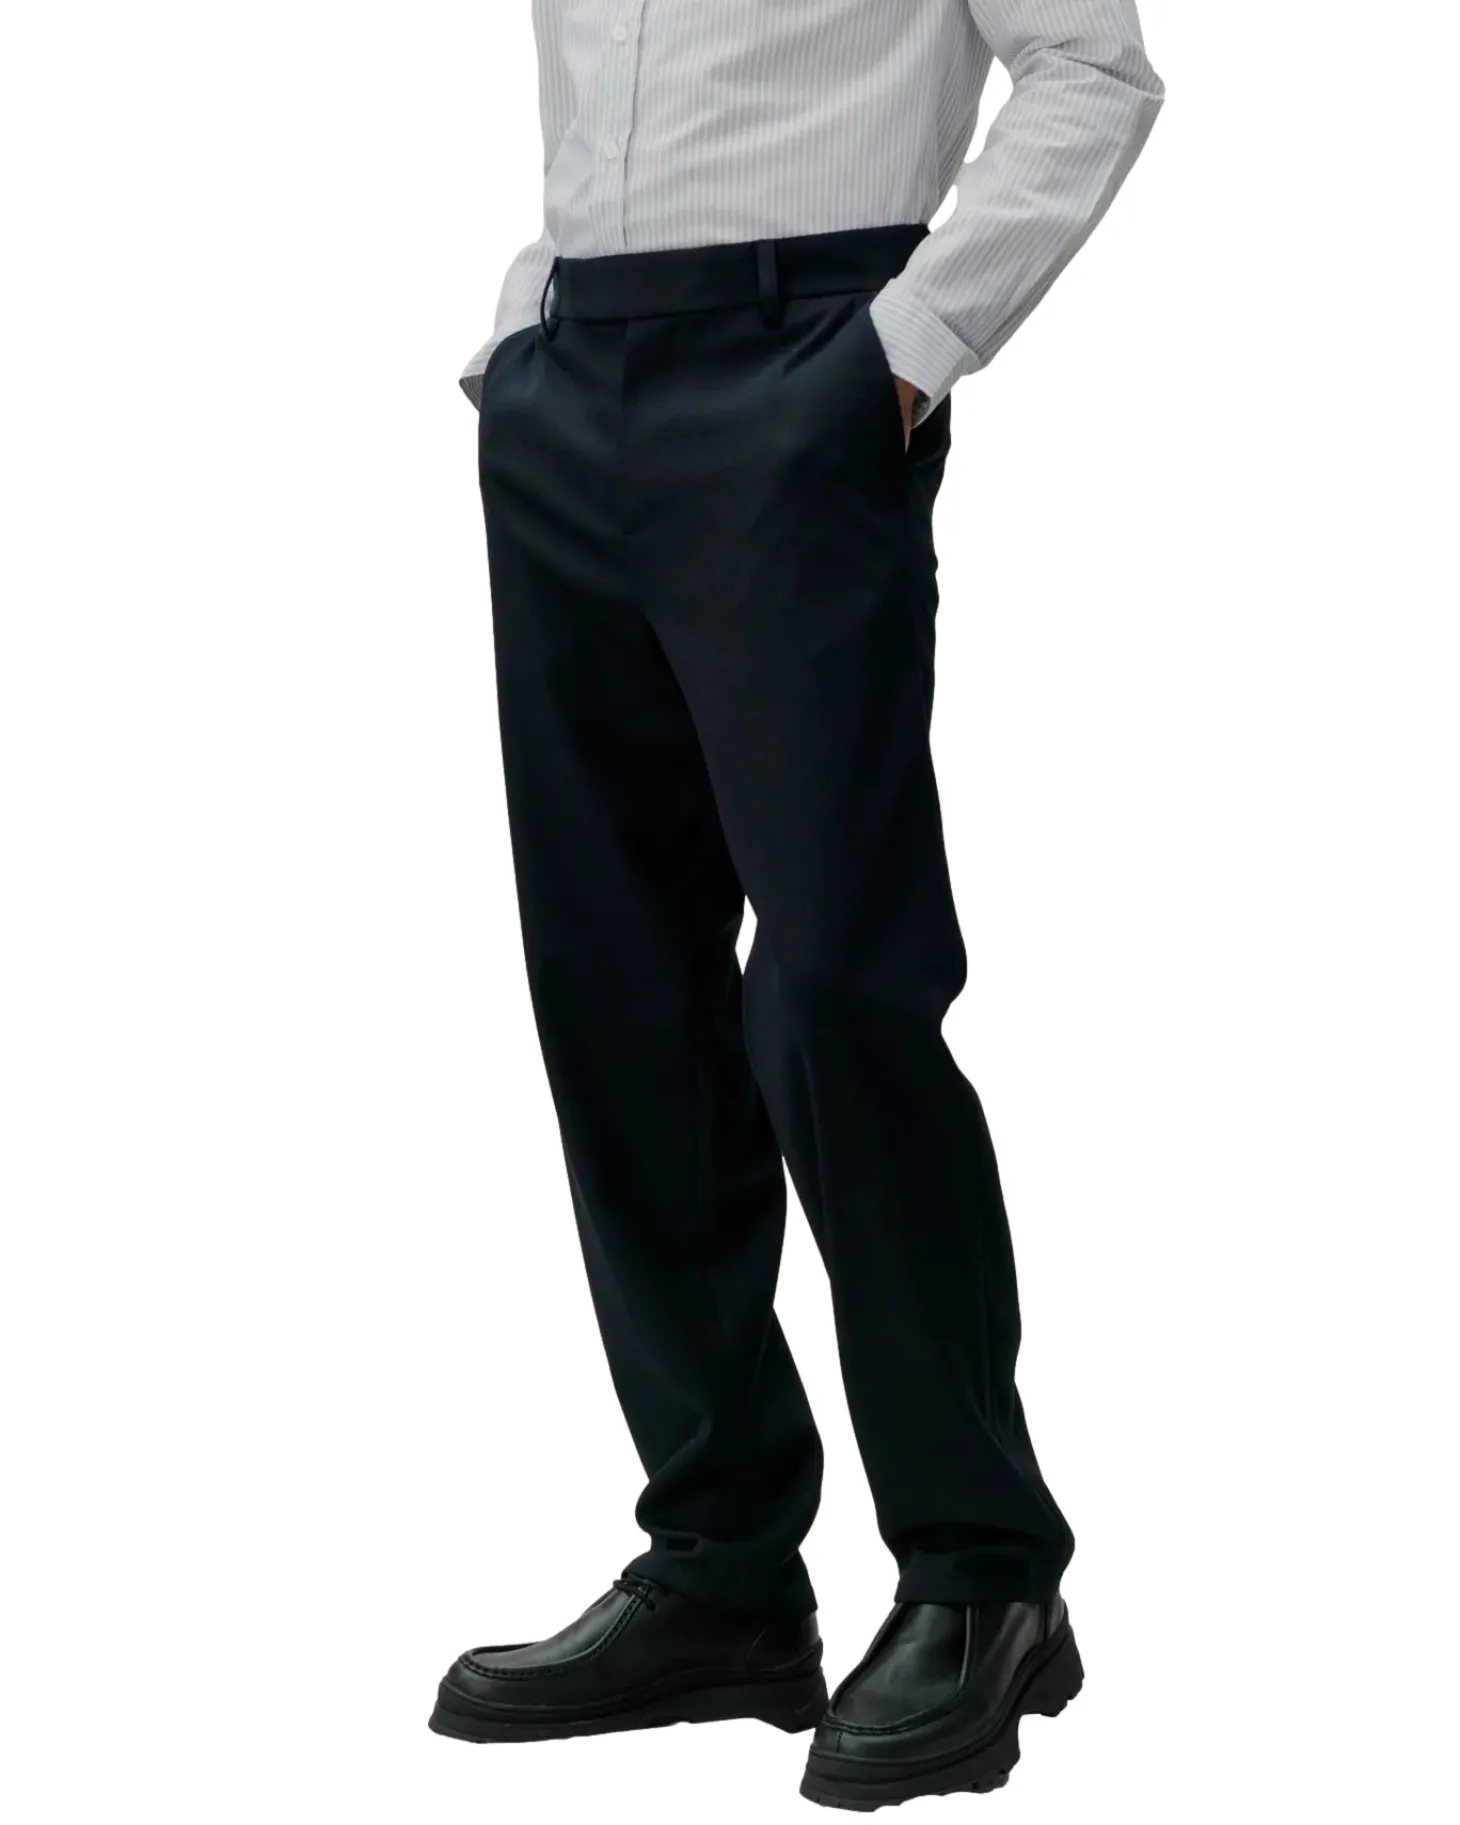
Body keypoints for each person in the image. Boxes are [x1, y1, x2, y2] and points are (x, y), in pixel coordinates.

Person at [430, 1, 1164, 1807]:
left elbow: (1094, 70)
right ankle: (724, 1568)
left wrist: (903, 350)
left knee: (836, 989)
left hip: (808, 362)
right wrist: (526, 333)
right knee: (617, 990)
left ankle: (984, 1571)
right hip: (575, 381)